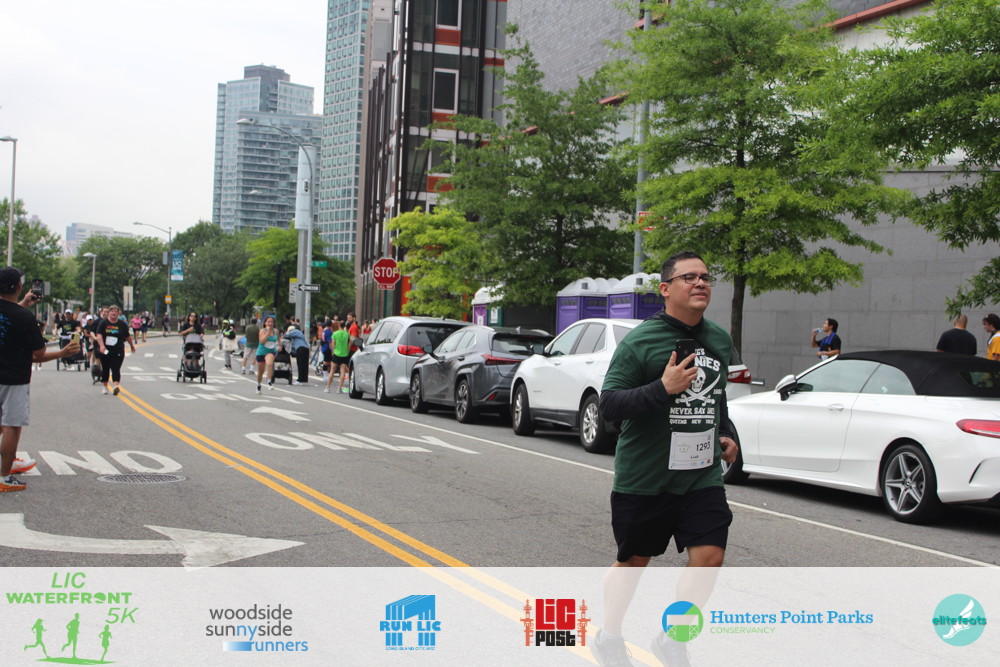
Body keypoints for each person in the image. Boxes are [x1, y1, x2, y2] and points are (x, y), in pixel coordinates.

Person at [592, 251, 738, 667]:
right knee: (633, 562)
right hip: (646, 476)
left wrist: (726, 432)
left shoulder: (719, 340)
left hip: (700, 476)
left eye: (705, 277)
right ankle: (609, 636)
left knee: (710, 556)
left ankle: (673, 639)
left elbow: (716, 397)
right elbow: (610, 405)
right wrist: (663, 388)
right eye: (689, 277)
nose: (700, 283)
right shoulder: (641, 341)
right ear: (665, 289)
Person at [0, 267, 81, 492]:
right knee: (12, 426)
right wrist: (63, 353)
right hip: (14, 379)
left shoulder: (19, 312)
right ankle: (4, 477)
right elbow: (38, 354)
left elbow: (5, 317)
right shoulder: (25, 318)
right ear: (18, 287)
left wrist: (24, 303)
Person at [96, 305, 136, 396]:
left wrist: (132, 346)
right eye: (112, 311)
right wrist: (101, 346)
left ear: (118, 313)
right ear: (109, 313)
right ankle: (105, 386)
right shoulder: (103, 323)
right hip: (105, 350)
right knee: (105, 368)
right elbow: (99, 335)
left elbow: (127, 336)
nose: (113, 313)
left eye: (115, 311)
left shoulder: (122, 324)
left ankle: (115, 386)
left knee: (116, 368)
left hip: (118, 350)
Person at [255, 316, 281, 393]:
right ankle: (258, 385)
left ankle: (269, 381)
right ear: (265, 323)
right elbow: (262, 341)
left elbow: (278, 339)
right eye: (268, 322)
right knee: (261, 371)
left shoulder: (276, 331)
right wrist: (267, 332)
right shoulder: (262, 331)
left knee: (269, 364)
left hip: (271, 351)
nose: (270, 323)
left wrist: (279, 346)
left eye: (271, 322)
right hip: (261, 352)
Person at [325, 320, 351, 393]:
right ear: (344, 326)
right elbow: (349, 344)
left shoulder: (335, 333)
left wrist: (333, 352)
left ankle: (328, 387)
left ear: (339, 326)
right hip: (344, 354)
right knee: (342, 372)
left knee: (332, 371)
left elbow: (333, 344)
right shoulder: (347, 334)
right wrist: (347, 351)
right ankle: (339, 388)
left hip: (336, 353)